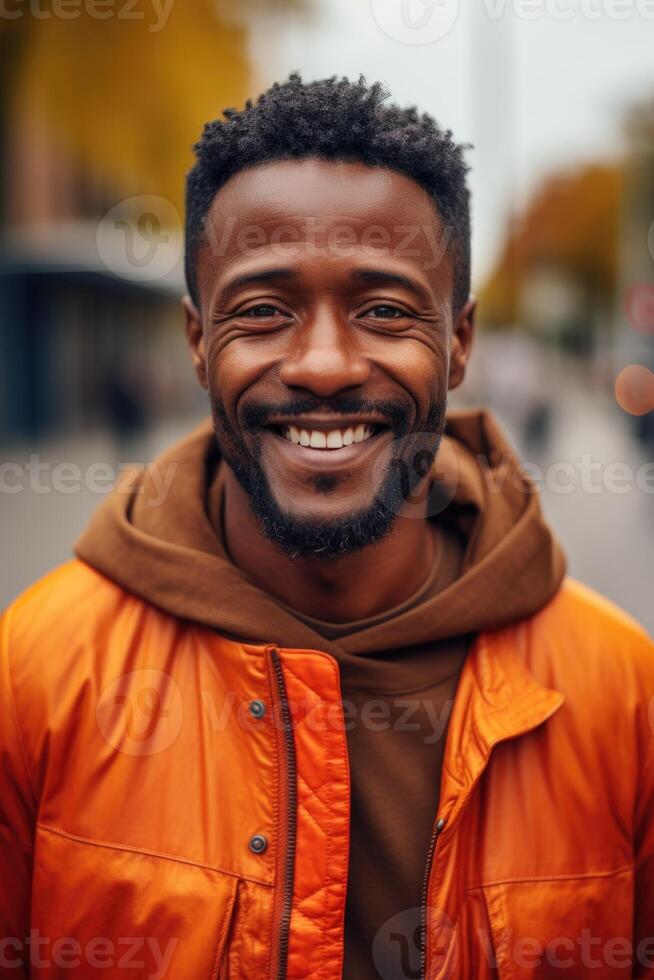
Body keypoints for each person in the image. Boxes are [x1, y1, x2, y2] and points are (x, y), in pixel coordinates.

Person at [1, 74, 653, 980]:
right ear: (197, 341)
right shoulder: (32, 677)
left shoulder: (621, 693)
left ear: (459, 342)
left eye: (385, 310)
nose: (322, 365)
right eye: (264, 310)